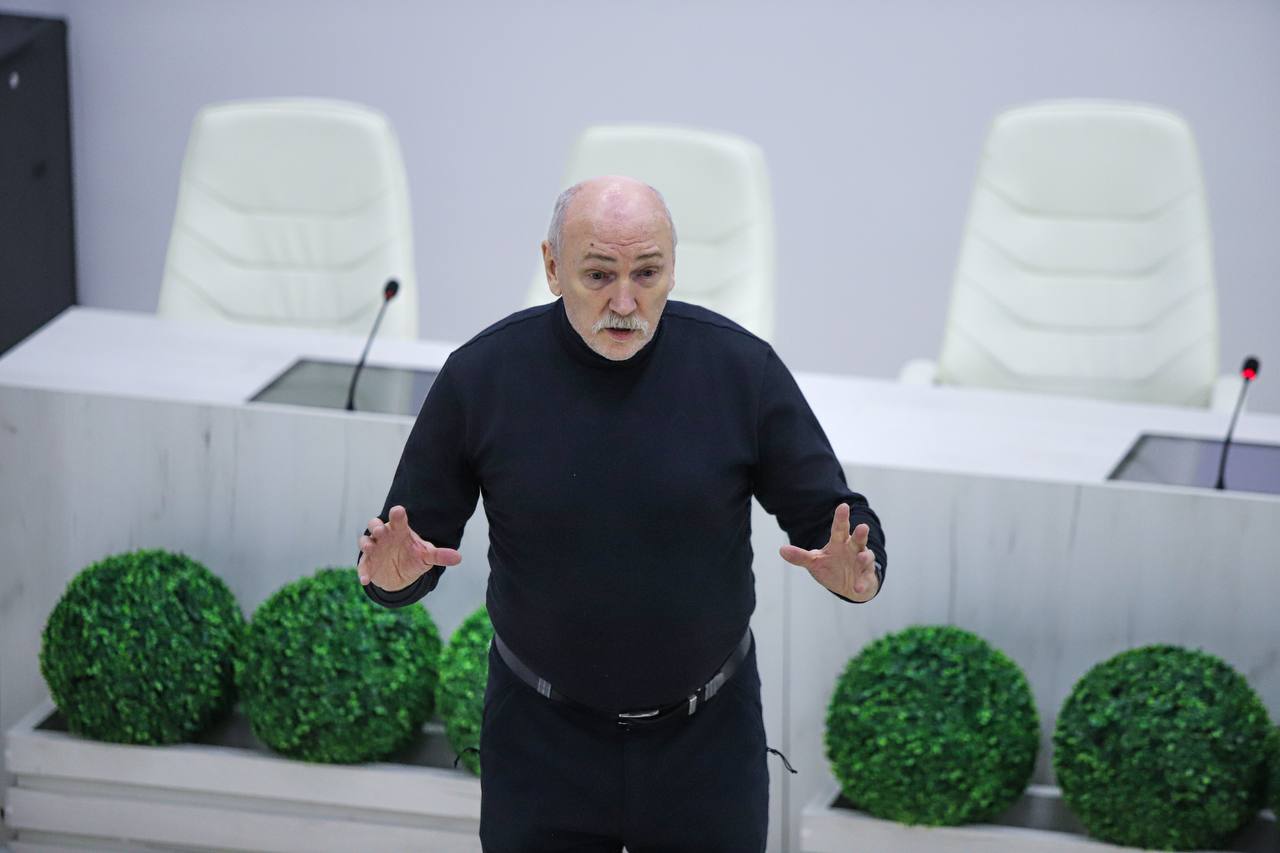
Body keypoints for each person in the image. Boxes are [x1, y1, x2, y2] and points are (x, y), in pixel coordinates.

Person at [357, 175, 886, 852]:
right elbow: (410, 546)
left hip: (707, 744)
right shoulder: (482, 376)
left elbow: (833, 520)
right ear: (552, 267)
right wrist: (392, 579)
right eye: (599, 275)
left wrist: (857, 573)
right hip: (539, 743)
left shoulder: (739, 370)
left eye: (647, 273)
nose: (625, 301)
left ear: (674, 268)